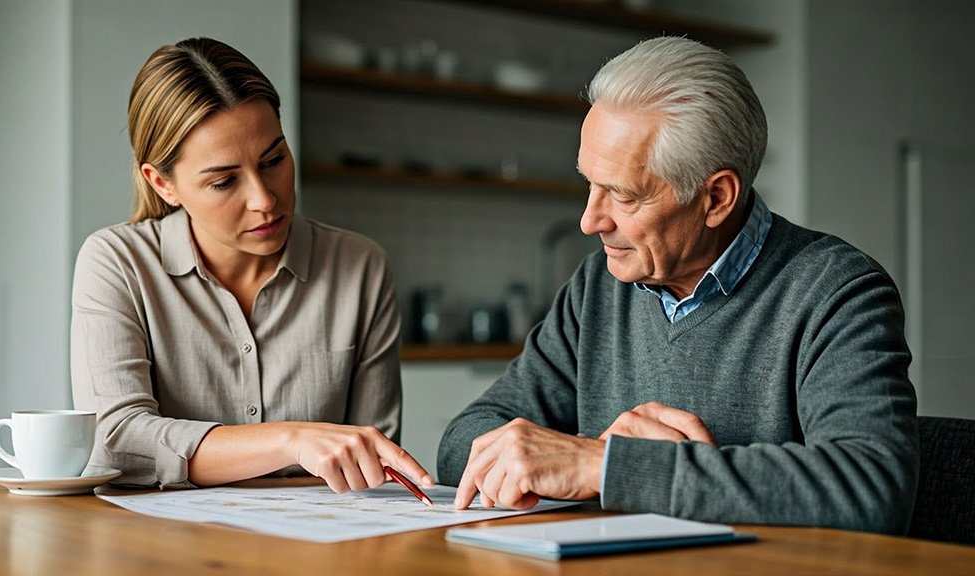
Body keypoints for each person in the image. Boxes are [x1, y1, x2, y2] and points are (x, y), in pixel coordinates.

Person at [437, 36, 918, 534]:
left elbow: (872, 488)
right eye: (589, 184)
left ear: (716, 198)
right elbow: (464, 444)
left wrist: (604, 466)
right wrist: (589, 455)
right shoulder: (597, 287)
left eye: (622, 196)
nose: (588, 221)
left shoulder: (838, 291)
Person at [71, 37, 432, 492]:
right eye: (224, 182)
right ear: (163, 183)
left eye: (274, 160)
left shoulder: (361, 267)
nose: (265, 199)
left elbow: (367, 460)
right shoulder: (117, 264)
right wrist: (290, 440)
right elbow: (118, 441)